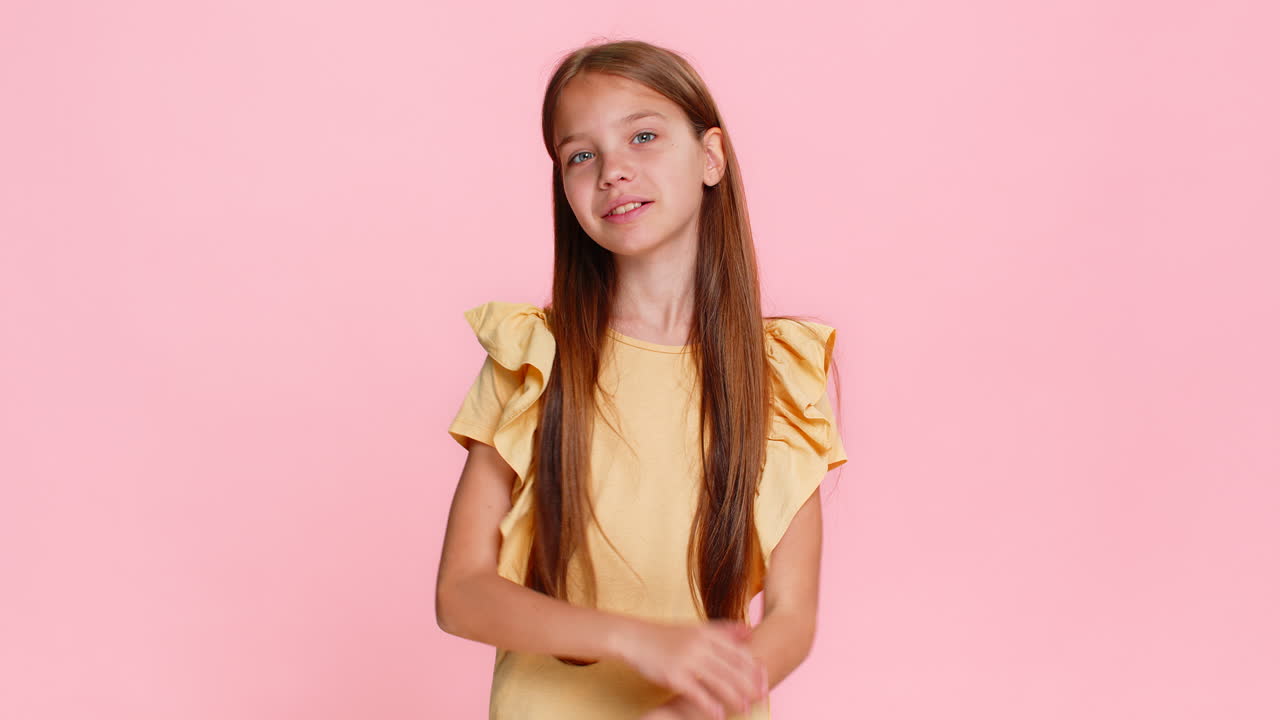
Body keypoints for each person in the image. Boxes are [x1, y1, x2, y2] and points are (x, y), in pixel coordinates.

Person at [435, 39, 847, 720]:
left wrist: (689, 708)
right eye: (581, 155)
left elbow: (793, 617)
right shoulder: (535, 358)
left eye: (644, 136)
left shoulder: (781, 374)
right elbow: (461, 592)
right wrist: (636, 641)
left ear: (711, 156)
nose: (613, 171)